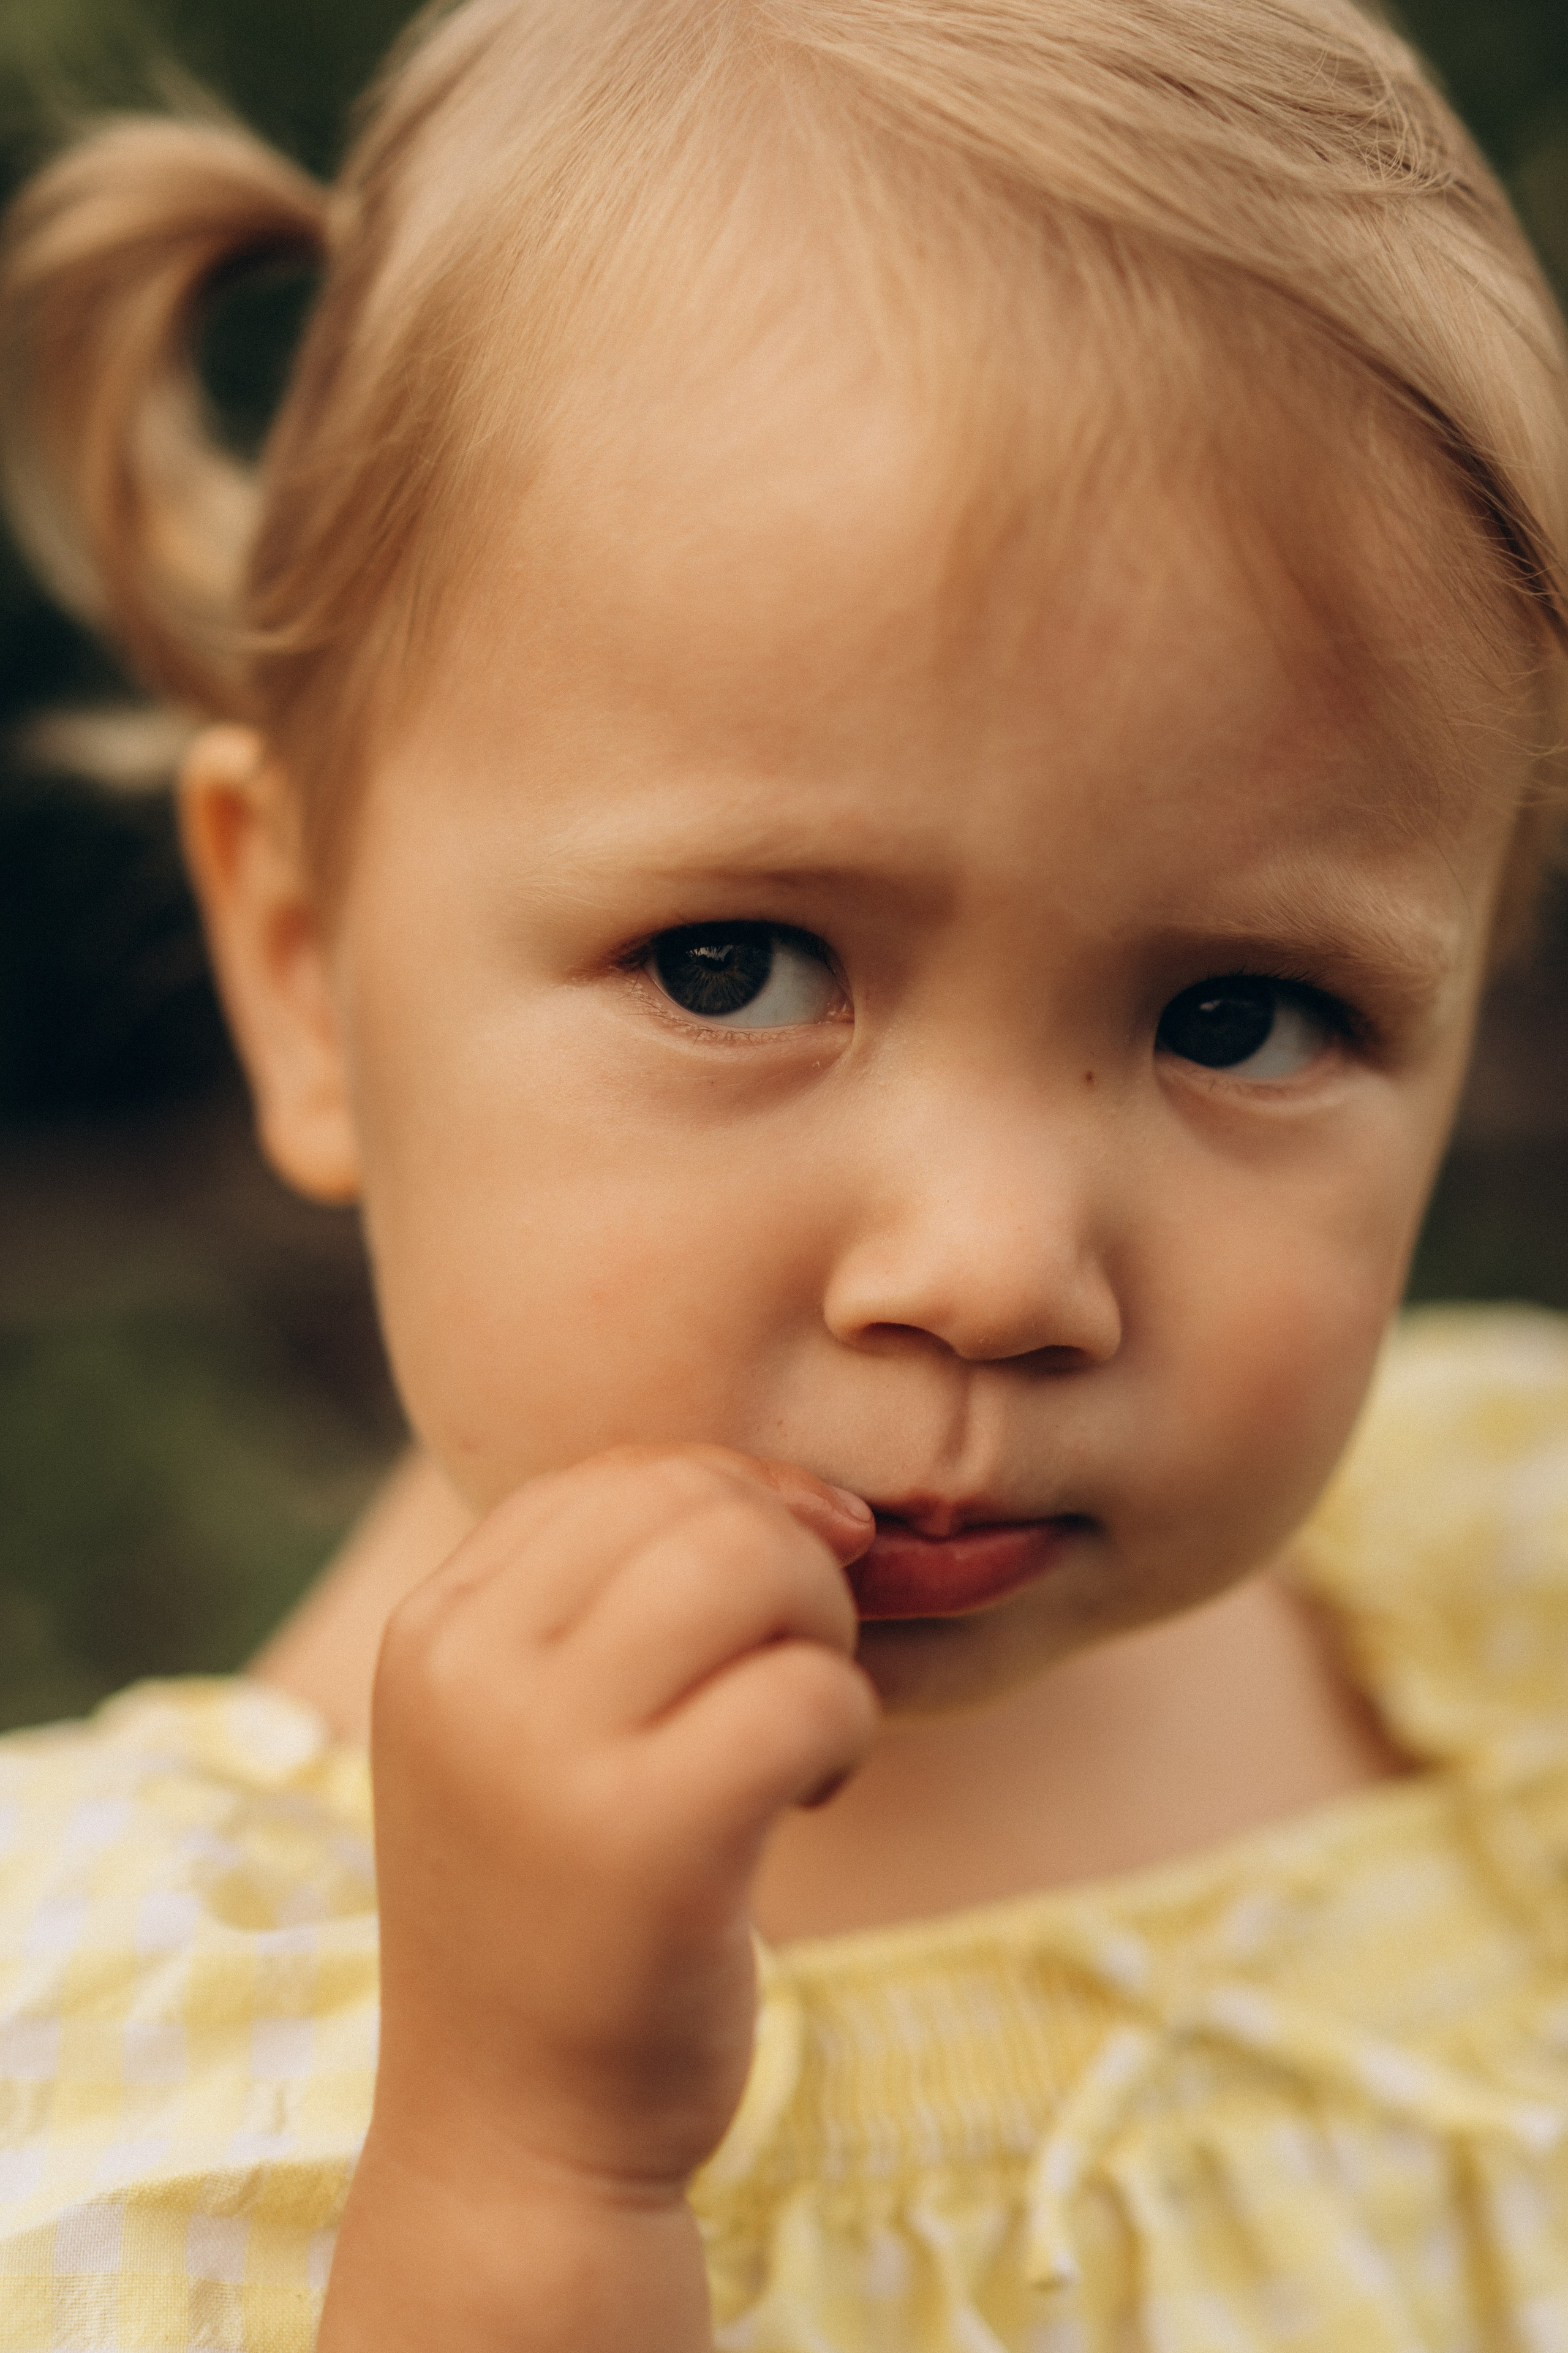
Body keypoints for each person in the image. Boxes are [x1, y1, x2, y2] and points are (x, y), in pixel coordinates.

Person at [2, 0, 1568, 2345]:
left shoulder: (1514, 1617)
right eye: (738, 966)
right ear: (308, 965)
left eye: (1238, 1015)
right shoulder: (132, 2051)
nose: (994, 1268)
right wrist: (520, 2161)